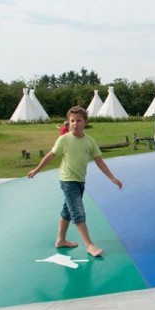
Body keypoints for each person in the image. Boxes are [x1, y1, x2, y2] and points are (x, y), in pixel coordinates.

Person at [27, 106, 123, 256]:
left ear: (85, 122)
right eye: (72, 121)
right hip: (67, 181)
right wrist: (36, 169)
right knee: (78, 212)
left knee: (67, 211)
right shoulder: (64, 140)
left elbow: (100, 162)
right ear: (68, 122)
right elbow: (50, 156)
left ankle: (60, 240)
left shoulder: (90, 142)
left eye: (79, 120)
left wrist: (112, 177)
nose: (75, 123)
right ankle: (89, 245)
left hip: (80, 181)